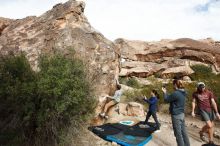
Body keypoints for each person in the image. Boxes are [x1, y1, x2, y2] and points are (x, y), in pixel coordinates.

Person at [162, 79, 190, 146]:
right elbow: (172, 98)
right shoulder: (183, 92)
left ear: (175, 85)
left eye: (173, 85)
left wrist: (164, 92)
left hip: (176, 115)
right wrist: (167, 93)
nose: (172, 86)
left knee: (178, 134)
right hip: (182, 114)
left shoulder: (176, 93)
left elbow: (166, 100)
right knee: (184, 132)